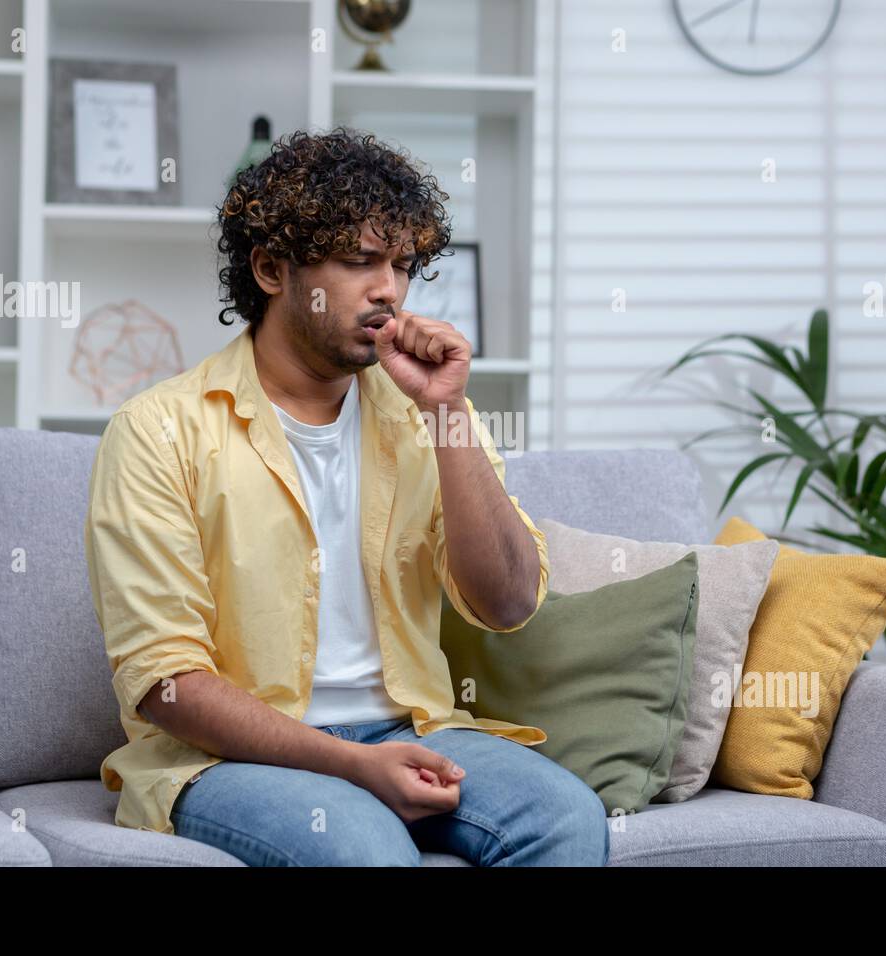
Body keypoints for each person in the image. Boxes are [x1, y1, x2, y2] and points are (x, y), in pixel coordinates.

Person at [83, 126, 609, 866]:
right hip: (232, 760)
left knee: (568, 820)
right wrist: (351, 766)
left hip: (411, 730)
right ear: (272, 268)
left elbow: (509, 602)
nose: (389, 289)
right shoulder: (157, 431)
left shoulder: (425, 411)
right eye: (360, 261)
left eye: (400, 264)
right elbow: (165, 682)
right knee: (365, 850)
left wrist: (448, 413)